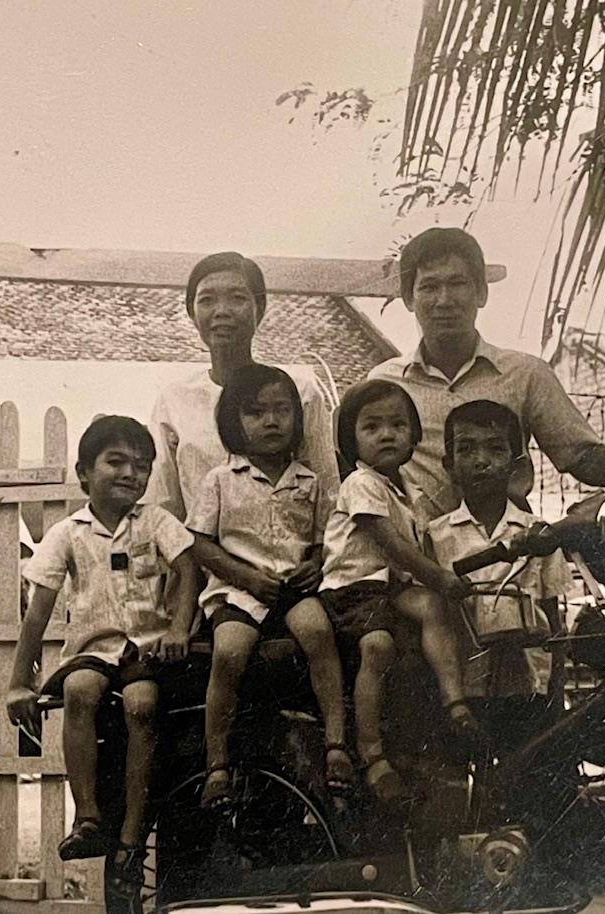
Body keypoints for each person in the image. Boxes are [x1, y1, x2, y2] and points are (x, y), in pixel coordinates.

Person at [5, 415, 199, 898]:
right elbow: (39, 607)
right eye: (116, 462)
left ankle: (132, 835)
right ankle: (88, 814)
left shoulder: (154, 521)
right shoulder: (68, 532)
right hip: (94, 648)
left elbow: (189, 566)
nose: (131, 474)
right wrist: (17, 682)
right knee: (78, 689)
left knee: (142, 705)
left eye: (142, 465)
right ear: (84, 472)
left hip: (146, 649)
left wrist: (177, 627)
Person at [369, 227, 605, 519]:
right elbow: (361, 476)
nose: (444, 300)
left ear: (481, 293)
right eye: (429, 286)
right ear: (409, 299)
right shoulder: (384, 385)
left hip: (508, 557)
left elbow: (584, 459)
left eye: (458, 283)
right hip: (417, 562)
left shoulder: (525, 374)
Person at [187, 365, 353, 808]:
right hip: (239, 591)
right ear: (233, 423)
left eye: (282, 410)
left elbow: (324, 542)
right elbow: (201, 542)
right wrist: (244, 577)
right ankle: (217, 764)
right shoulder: (220, 480)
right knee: (229, 652)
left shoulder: (310, 481)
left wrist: (315, 564)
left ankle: (336, 745)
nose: (271, 421)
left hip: (292, 589)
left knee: (319, 635)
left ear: (298, 420)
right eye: (256, 412)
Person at [317, 379, 482, 806]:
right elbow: (393, 546)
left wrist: (441, 580)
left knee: (433, 608)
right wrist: (439, 576)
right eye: (371, 427)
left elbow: (419, 546)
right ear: (351, 440)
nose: (386, 434)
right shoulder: (361, 482)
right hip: (353, 587)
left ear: (412, 436)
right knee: (378, 646)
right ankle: (370, 752)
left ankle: (455, 700)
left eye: (397, 425)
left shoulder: (407, 492)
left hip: (388, 588)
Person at [146, 251, 340, 525]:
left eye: (237, 298)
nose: (221, 311)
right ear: (192, 312)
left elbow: (328, 495)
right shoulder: (174, 400)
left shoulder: (300, 393)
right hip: (202, 561)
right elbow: (163, 507)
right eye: (207, 300)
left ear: (259, 309)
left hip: (292, 561)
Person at [424, 400, 573, 727]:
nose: (481, 462)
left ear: (515, 465)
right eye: (466, 450)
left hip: (529, 685)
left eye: (495, 449)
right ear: (448, 465)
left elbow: (554, 616)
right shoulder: (435, 537)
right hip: (466, 687)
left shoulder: (538, 534)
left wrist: (556, 693)